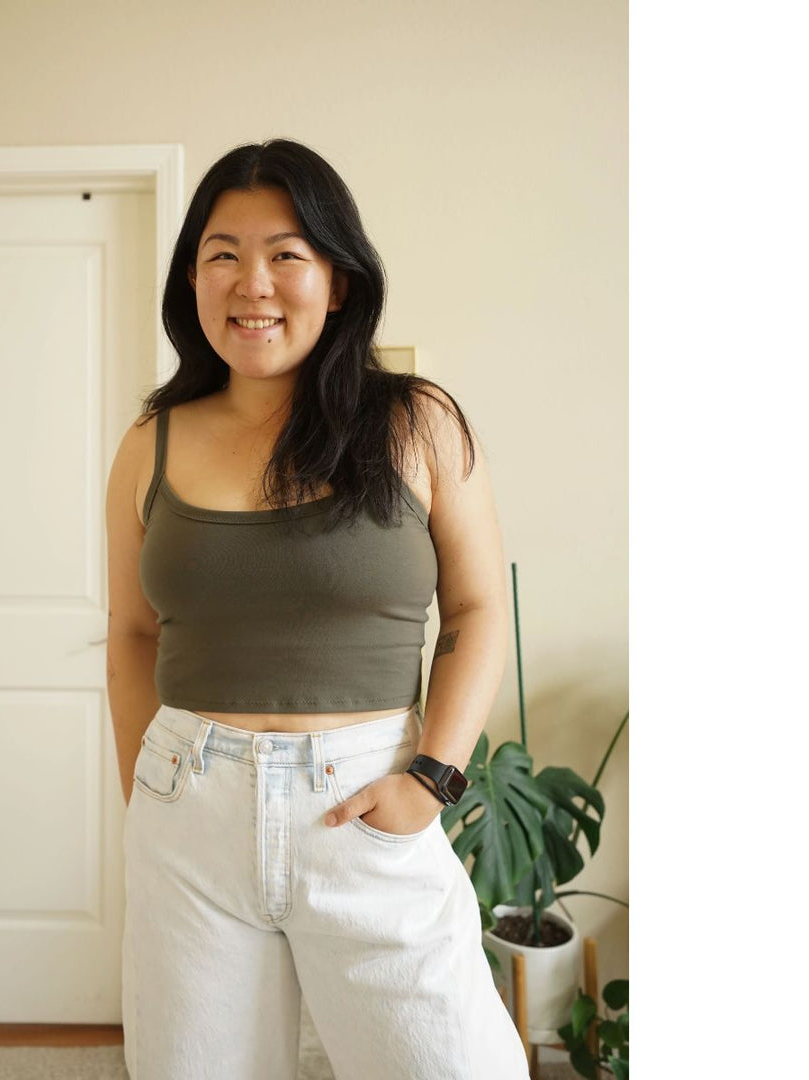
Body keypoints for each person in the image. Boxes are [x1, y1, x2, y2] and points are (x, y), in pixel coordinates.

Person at [105, 139, 529, 1080]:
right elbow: (134, 632)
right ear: (192, 279)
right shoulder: (152, 440)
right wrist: (150, 793)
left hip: (367, 799)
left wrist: (433, 780)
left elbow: (475, 611)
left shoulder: (417, 421)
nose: (251, 282)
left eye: (286, 253)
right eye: (222, 253)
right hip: (189, 807)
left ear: (338, 280)